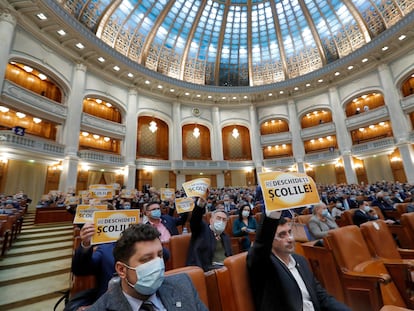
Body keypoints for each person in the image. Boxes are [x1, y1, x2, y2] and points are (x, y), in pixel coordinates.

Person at [87, 223, 208, 311]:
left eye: (159, 255)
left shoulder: (183, 285)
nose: (157, 265)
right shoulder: (101, 308)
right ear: (122, 270)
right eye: (146, 259)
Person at [247, 212, 351, 311]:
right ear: (270, 241)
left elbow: (322, 297)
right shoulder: (265, 265)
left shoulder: (300, 260)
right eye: (282, 235)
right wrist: (273, 213)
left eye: (290, 232)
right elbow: (260, 246)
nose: (290, 238)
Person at [186, 198, 232, 271]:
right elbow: (195, 220)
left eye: (224, 220)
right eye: (218, 218)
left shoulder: (225, 236)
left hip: (225, 267)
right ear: (211, 220)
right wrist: (200, 205)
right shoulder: (202, 230)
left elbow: (229, 256)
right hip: (207, 269)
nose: (221, 221)